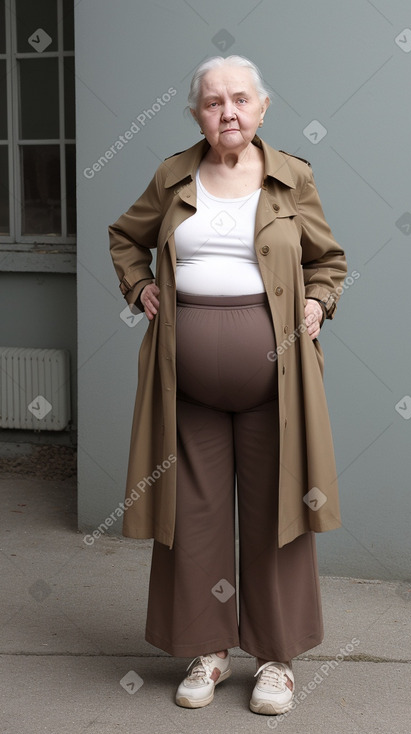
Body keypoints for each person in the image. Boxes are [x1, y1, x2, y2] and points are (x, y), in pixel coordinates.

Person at [109, 54, 347, 716]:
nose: (228, 112)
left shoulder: (291, 176)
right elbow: (125, 239)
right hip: (184, 387)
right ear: (197, 115)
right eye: (213, 103)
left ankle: (275, 660)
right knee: (195, 514)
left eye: (240, 100)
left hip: (278, 386)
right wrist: (139, 285)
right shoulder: (172, 175)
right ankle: (207, 649)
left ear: (262, 108)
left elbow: (328, 258)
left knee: (279, 512)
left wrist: (317, 303)